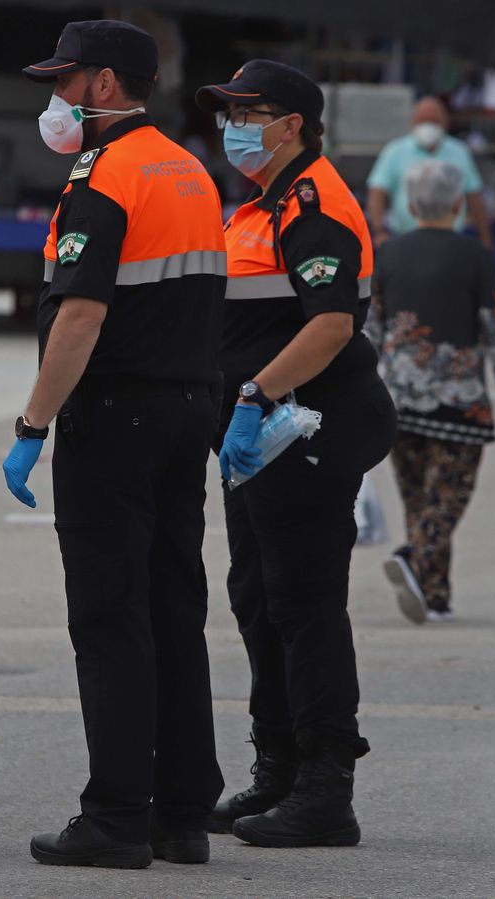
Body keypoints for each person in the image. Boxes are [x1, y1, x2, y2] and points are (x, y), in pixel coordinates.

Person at [5, 20, 227, 870]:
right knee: (175, 609)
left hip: (118, 415)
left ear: (104, 85)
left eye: (65, 85)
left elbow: (82, 315)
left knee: (109, 618)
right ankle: (181, 814)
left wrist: (32, 425)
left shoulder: (105, 174)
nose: (55, 101)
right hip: (186, 410)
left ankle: (115, 816)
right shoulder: (190, 168)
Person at [197, 60, 397, 848]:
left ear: (293, 125)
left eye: (249, 111)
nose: (233, 125)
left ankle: (326, 787)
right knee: (257, 595)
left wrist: (253, 396)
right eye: (228, 109)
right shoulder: (261, 205)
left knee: (305, 605)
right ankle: (276, 765)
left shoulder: (315, 206)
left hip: (304, 426)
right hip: (259, 441)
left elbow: (330, 325)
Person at [367, 160, 495, 624]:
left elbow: (370, 331)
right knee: (447, 499)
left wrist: (360, 392)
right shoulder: (476, 256)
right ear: (458, 204)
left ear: (411, 204)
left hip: (398, 402)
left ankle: (435, 597)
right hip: (459, 404)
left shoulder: (388, 254)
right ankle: (413, 556)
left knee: (420, 499)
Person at [366, 95, 493, 249]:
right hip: (404, 239)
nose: (428, 126)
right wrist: (379, 231)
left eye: (434, 121)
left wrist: (485, 238)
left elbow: (475, 196)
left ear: (446, 122)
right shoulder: (395, 151)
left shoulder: (460, 152)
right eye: (423, 121)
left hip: (451, 242)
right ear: (412, 122)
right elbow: (377, 193)